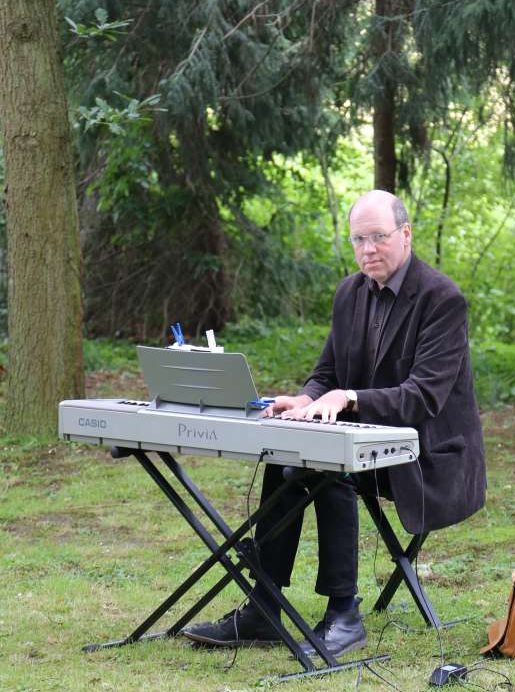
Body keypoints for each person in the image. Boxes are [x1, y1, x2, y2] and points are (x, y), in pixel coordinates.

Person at [181, 190, 485, 654]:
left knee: (328, 469)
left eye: (378, 238)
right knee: (287, 455)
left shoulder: (442, 299)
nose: (368, 250)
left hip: (425, 455)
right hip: (362, 442)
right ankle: (264, 606)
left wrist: (349, 398)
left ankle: (344, 614)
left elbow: (423, 397)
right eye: (358, 239)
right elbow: (327, 373)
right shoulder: (349, 292)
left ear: (405, 234)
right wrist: (303, 398)